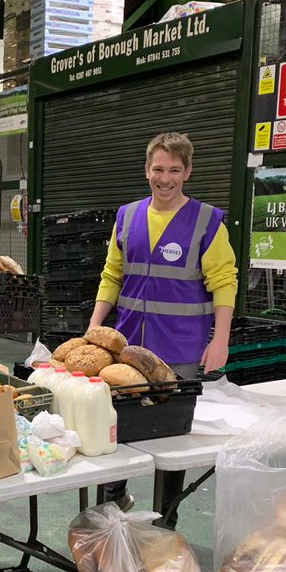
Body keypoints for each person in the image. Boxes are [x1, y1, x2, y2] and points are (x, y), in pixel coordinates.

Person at [89, 132, 237, 527]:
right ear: (147, 170)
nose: (165, 178)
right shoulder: (129, 216)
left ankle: (167, 518)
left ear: (187, 172)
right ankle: (114, 498)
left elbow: (224, 280)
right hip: (130, 343)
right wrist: (94, 325)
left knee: (171, 436)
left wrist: (220, 338)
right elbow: (112, 274)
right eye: (158, 169)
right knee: (116, 424)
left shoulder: (206, 222)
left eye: (174, 170)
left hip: (180, 348)